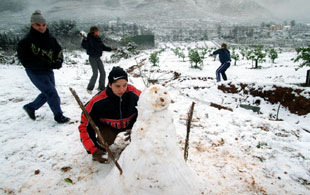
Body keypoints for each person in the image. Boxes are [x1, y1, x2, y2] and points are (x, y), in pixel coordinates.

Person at [78, 66, 141, 163]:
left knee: (142, 134)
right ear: (110, 84)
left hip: (130, 125)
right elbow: (85, 126)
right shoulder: (98, 101)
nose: (122, 89)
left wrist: (138, 128)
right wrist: (93, 150)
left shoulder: (135, 94)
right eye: (117, 86)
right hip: (109, 128)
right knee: (104, 140)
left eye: (125, 85)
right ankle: (101, 146)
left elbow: (150, 111)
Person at [17, 10, 70, 124]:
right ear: (32, 25)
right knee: (51, 93)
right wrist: (46, 64)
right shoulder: (25, 41)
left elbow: (58, 50)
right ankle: (58, 116)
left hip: (48, 70)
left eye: (43, 25)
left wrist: (59, 61)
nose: (41, 27)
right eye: (38, 25)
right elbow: (26, 61)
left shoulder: (50, 38)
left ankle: (30, 107)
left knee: (48, 93)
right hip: (35, 71)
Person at [81, 26, 116, 94]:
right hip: (92, 58)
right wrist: (84, 40)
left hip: (98, 57)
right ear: (93, 32)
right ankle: (89, 88)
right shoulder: (89, 39)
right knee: (95, 73)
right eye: (97, 31)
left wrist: (111, 49)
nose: (98, 32)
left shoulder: (98, 39)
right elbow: (85, 46)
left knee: (103, 72)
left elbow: (103, 47)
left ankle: (101, 87)